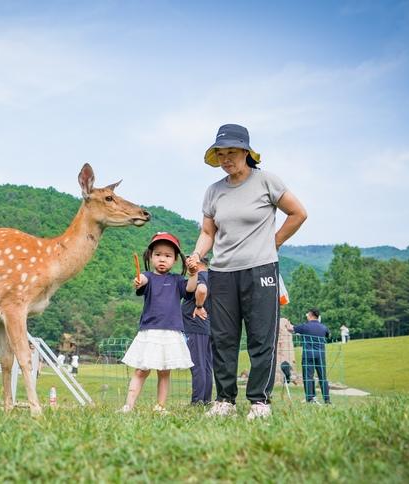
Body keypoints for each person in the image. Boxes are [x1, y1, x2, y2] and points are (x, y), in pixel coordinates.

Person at [187, 124, 307, 420]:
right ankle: (224, 400)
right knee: (224, 337)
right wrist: (198, 254)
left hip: (261, 269)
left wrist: (274, 242)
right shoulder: (214, 192)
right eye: (221, 153)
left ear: (246, 152)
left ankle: (260, 402)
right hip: (222, 271)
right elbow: (207, 231)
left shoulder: (267, 181)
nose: (226, 158)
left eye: (232, 152)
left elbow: (298, 213)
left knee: (260, 336)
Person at [120, 232, 198, 413]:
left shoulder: (177, 280)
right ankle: (128, 405)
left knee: (164, 372)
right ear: (151, 256)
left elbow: (190, 288)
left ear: (175, 260)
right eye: (158, 255)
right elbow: (142, 280)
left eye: (168, 256)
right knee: (141, 370)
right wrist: (139, 281)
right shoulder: (148, 277)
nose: (162, 259)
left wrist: (194, 274)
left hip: (171, 332)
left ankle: (160, 407)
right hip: (150, 331)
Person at [181, 256, 213, 405]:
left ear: (199, 263)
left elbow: (201, 290)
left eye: (191, 261)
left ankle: (197, 401)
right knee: (206, 365)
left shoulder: (200, 277)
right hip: (207, 327)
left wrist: (199, 307)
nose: (188, 264)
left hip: (195, 326)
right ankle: (205, 399)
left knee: (197, 365)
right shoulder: (212, 277)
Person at [289, 309, 331, 404]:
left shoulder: (305, 326)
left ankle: (310, 398)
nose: (306, 316)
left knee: (308, 377)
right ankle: (327, 400)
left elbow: (291, 329)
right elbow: (328, 335)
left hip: (308, 355)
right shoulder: (323, 327)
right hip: (320, 355)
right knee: (323, 377)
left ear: (311, 315)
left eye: (307, 314)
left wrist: (287, 324)